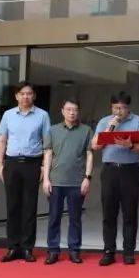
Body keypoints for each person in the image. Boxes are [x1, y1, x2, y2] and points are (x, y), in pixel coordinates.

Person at [92, 91, 139, 266]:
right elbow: (95, 145)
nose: (119, 111)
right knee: (109, 213)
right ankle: (108, 251)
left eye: (122, 108)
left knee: (129, 213)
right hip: (110, 170)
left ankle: (129, 252)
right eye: (116, 107)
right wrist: (109, 129)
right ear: (111, 107)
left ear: (128, 108)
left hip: (130, 171)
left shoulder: (138, 121)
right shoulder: (105, 121)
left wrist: (130, 145)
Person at [0, 81, 50, 263]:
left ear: (34, 96)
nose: (26, 96)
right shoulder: (8, 115)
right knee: (12, 206)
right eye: (22, 93)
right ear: (16, 96)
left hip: (32, 164)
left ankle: (27, 248)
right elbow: (2, 140)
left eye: (29, 93)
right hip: (12, 163)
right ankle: (12, 247)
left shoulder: (42, 115)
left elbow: (47, 143)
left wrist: (43, 167)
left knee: (29, 207)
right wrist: (0, 165)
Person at [43, 100, 94, 265]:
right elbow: (48, 154)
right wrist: (46, 179)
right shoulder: (53, 130)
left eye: (75, 110)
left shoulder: (86, 130)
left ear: (78, 112)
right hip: (56, 181)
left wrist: (87, 177)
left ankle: (74, 250)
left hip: (77, 182)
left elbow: (90, 154)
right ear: (62, 111)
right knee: (54, 217)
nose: (72, 113)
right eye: (69, 109)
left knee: (75, 218)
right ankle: (53, 250)